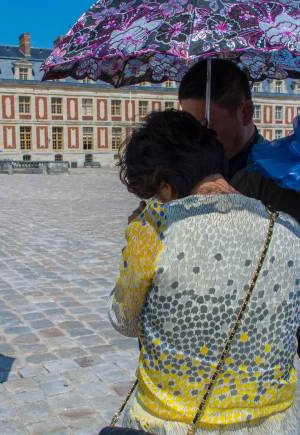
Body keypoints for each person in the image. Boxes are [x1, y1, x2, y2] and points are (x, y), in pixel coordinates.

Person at [109, 110, 299, 434]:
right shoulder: (287, 230)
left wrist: (135, 244)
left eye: (155, 193)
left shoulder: (153, 234)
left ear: (165, 185)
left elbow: (124, 320)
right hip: (273, 422)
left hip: (173, 423)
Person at [178, 58, 300, 222]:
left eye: (207, 126)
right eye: (190, 127)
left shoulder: (278, 180)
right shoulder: (191, 169)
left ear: (246, 113)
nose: (197, 138)